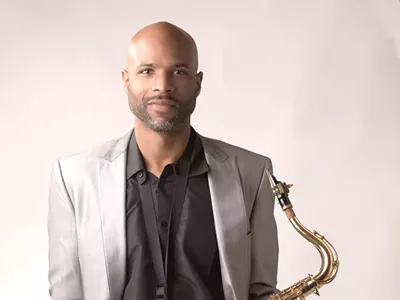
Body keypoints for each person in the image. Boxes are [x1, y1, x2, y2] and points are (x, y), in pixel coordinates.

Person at [47, 21, 279, 300]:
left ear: (198, 82)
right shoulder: (73, 177)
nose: (163, 86)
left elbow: (262, 290)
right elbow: (65, 293)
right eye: (147, 71)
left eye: (179, 71)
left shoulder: (252, 172)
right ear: (126, 80)